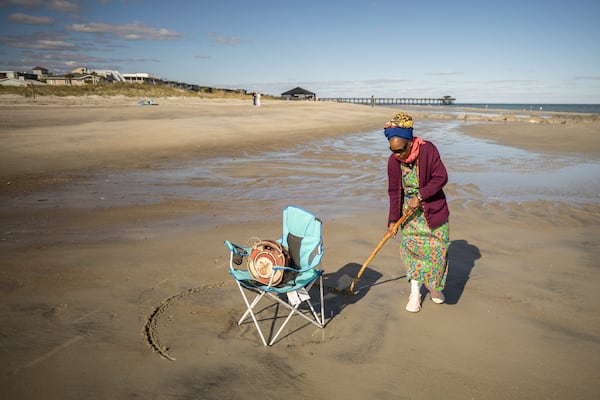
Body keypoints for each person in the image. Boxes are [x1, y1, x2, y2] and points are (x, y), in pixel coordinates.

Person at [384, 112, 450, 313]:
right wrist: (393, 219)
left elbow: (441, 177)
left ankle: (433, 287)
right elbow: (394, 192)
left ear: (410, 143)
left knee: (438, 252)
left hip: (433, 210)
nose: (398, 155)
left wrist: (421, 196)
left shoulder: (428, 150)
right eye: (393, 150)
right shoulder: (393, 161)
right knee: (412, 253)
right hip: (409, 215)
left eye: (401, 150)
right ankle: (415, 293)